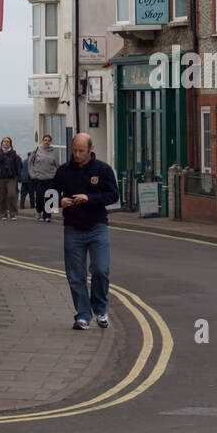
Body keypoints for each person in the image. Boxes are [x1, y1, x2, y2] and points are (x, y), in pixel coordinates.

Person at [53, 133, 121, 329]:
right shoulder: (63, 171)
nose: (76, 154)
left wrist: (89, 198)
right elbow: (47, 197)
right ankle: (83, 315)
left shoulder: (102, 169)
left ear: (90, 149)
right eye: (74, 150)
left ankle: (100, 309)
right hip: (72, 228)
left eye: (81, 151)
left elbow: (113, 195)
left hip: (97, 227)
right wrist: (59, 201)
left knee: (101, 270)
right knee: (76, 275)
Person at [28, 134, 62, 221]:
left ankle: (47, 216)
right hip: (39, 178)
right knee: (39, 197)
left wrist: (58, 177)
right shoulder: (37, 150)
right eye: (45, 140)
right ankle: (39, 210)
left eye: (48, 140)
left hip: (50, 178)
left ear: (50, 142)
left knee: (49, 198)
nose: (47, 142)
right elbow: (30, 163)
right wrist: (32, 174)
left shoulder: (54, 152)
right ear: (43, 141)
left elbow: (57, 165)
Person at [0, 137, 22, 220]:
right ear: (2, 143)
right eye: (4, 141)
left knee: (12, 195)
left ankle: (13, 213)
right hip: (0, 178)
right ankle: (2, 213)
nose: (6, 143)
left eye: (8, 142)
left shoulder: (14, 154)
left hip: (12, 178)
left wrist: (19, 176)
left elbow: (18, 166)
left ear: (10, 144)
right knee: (2, 196)